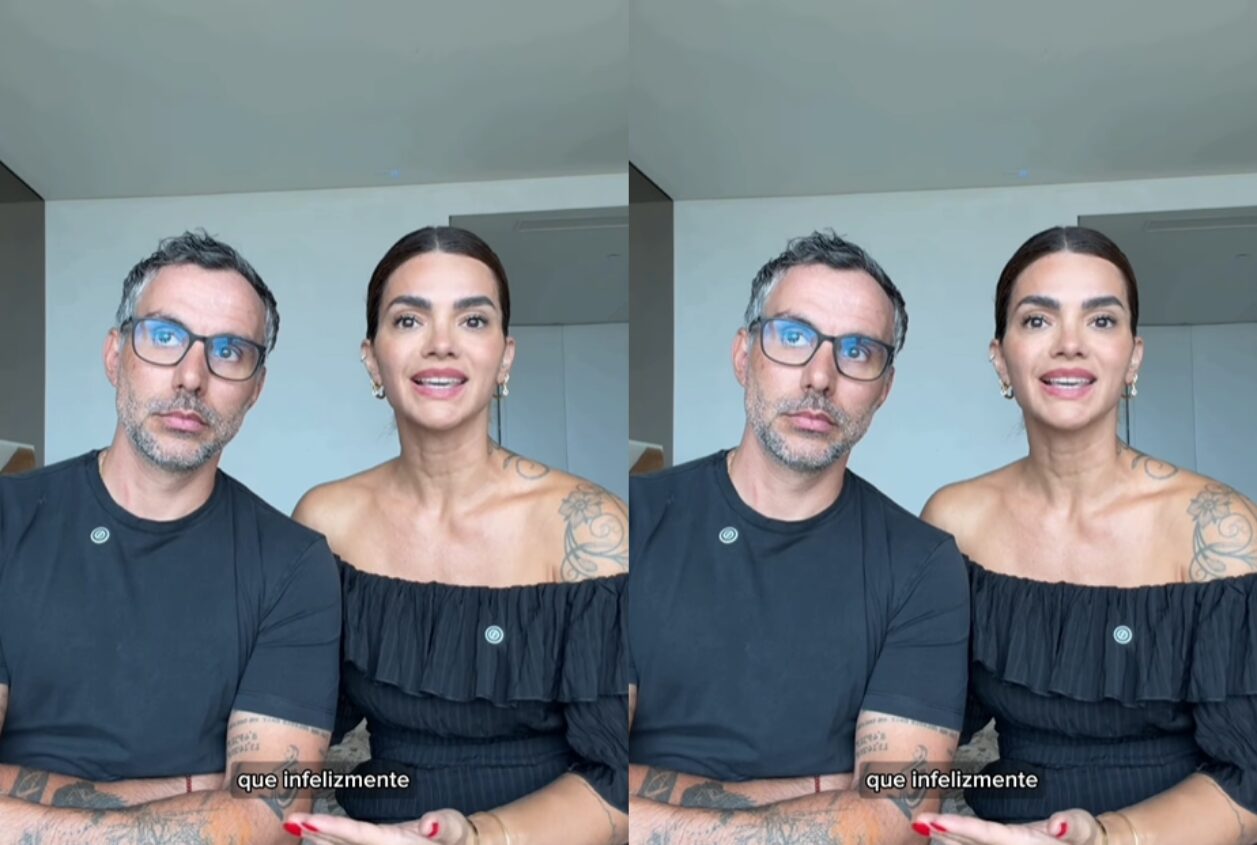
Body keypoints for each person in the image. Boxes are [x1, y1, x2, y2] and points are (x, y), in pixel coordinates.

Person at [283, 226, 629, 845]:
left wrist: (477, 836)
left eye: (472, 320)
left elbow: (620, 780)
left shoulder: (586, 525)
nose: (441, 344)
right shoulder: (325, 520)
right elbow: (292, 736)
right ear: (372, 358)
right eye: (409, 320)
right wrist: (268, 809)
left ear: (505, 357)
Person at [913, 226, 1257, 845]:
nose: (1070, 344)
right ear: (1001, 358)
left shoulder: (1215, 526)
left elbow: (1250, 778)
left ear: (1134, 357)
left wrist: (1105, 836)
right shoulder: (954, 520)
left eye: (1101, 320)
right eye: (1037, 320)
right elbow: (923, 733)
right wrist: (893, 805)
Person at [628, 231, 970, 844]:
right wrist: (813, 791)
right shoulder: (629, 521)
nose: (820, 377)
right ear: (744, 356)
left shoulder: (923, 564)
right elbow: (578, 784)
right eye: (793, 336)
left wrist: (642, 811)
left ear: (884, 388)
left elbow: (895, 818)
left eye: (857, 351)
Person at [0, 231, 341, 843]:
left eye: (229, 351)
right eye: (164, 336)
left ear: (255, 388)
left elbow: (266, 817)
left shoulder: (294, 565)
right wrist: (186, 790)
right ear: (115, 356)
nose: (191, 377)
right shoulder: (7, 518)